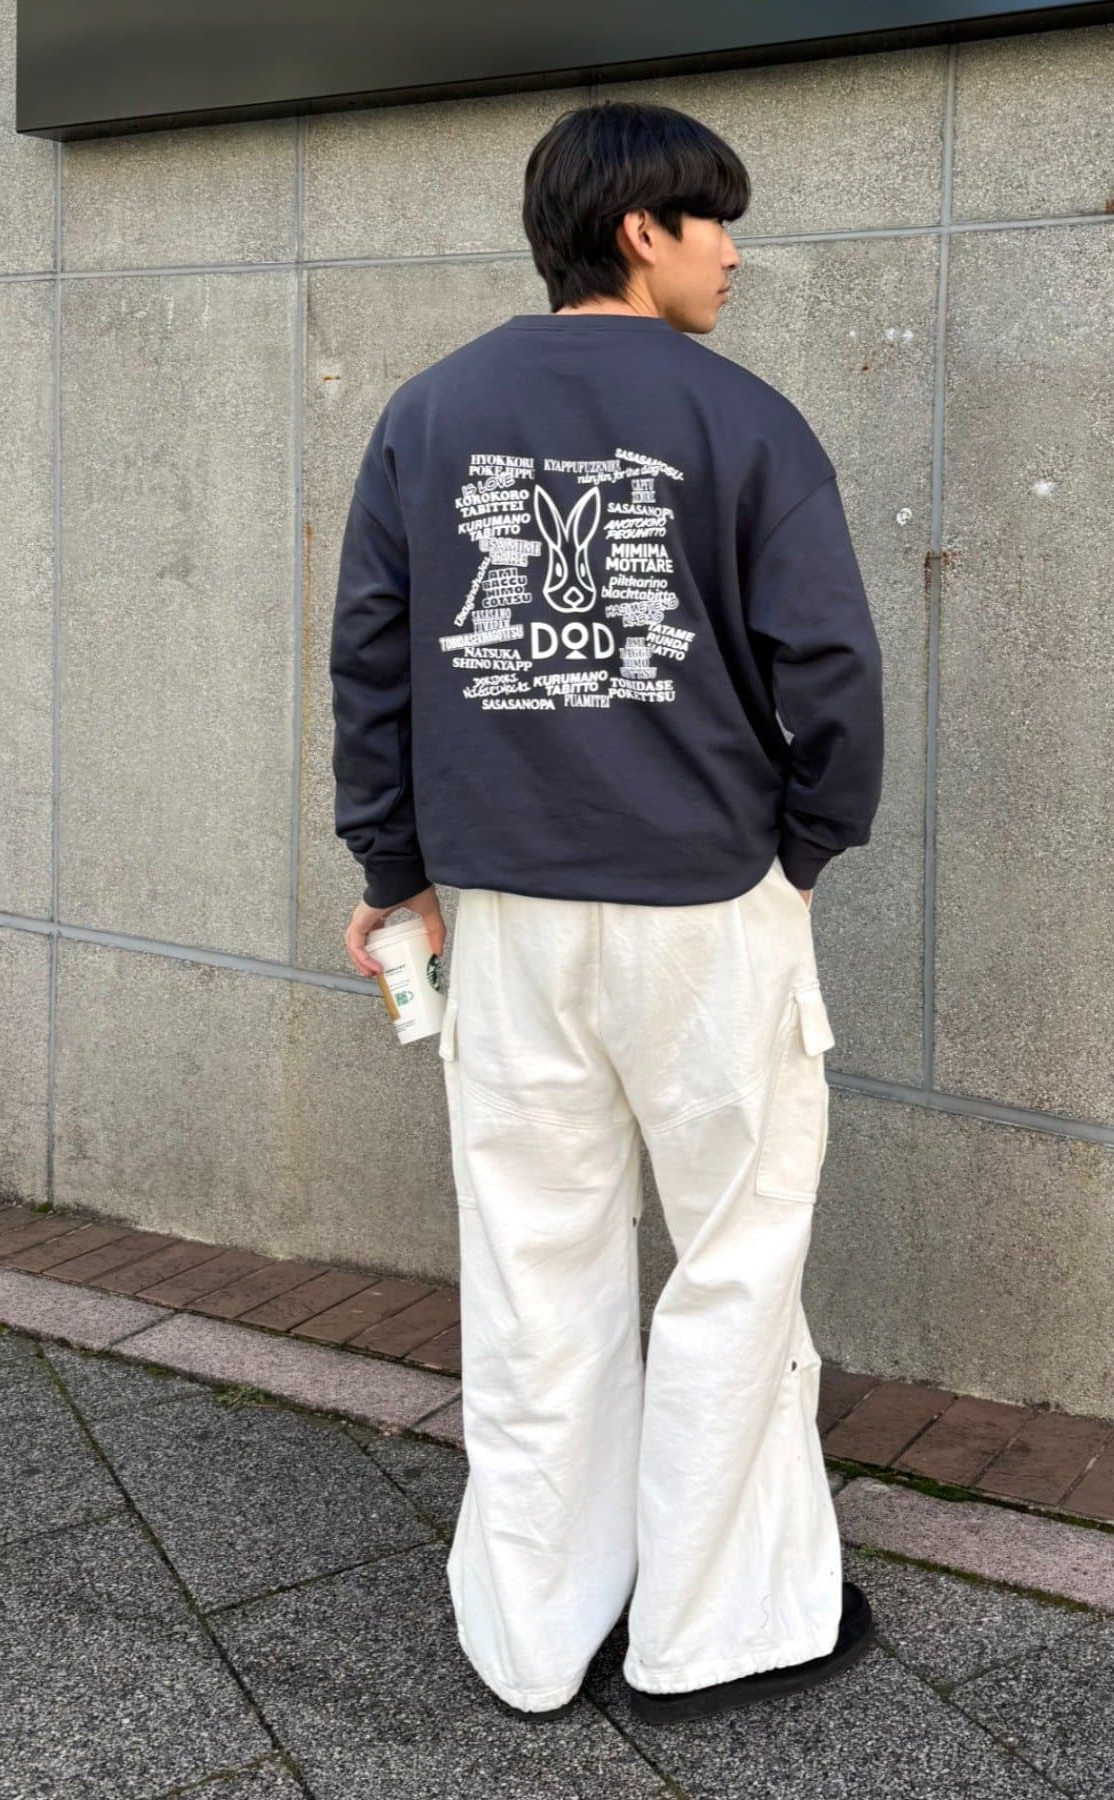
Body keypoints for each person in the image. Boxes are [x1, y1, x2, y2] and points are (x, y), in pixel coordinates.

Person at [329, 98, 885, 1725]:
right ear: (641, 230)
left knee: (533, 1264)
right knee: (735, 1256)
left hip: (506, 913)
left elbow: (374, 662)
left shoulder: (429, 414)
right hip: (707, 906)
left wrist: (391, 875)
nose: (734, 255)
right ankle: (710, 1629)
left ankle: (533, 1629)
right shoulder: (745, 419)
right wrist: (807, 846)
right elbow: (831, 673)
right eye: (715, 222)